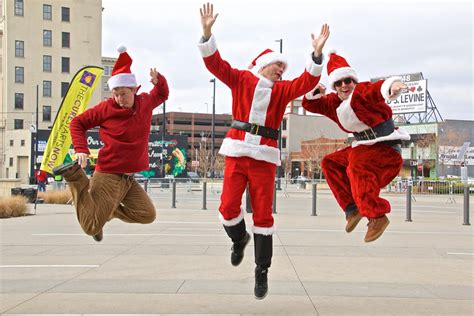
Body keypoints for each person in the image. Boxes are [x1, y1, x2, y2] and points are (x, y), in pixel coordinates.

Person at [198, 2, 330, 300]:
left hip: (265, 158)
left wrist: (317, 54)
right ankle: (238, 237)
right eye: (278, 66)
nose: (282, 71)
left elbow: (307, 81)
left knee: (263, 215)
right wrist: (207, 33)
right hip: (237, 151)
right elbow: (215, 64)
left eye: (284, 68)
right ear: (262, 65)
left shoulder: (282, 91)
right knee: (228, 208)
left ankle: (261, 270)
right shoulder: (242, 80)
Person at [53, 46, 169, 242]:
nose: (118, 98)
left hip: (128, 179)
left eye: (123, 93)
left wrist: (160, 81)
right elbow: (77, 123)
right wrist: (81, 148)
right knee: (91, 227)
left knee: (147, 215)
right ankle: (76, 179)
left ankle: (110, 212)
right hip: (108, 175)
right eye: (115, 93)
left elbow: (162, 94)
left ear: (134, 89)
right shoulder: (106, 108)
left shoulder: (145, 102)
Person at [302, 50, 410, 242]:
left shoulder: (361, 93)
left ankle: (377, 216)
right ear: (334, 86)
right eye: (339, 83)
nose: (344, 86)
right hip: (363, 146)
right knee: (330, 162)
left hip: (386, 149)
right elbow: (311, 105)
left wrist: (392, 86)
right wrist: (313, 93)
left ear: (354, 81)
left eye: (348, 81)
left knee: (357, 167)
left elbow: (376, 89)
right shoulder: (334, 103)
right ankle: (352, 209)